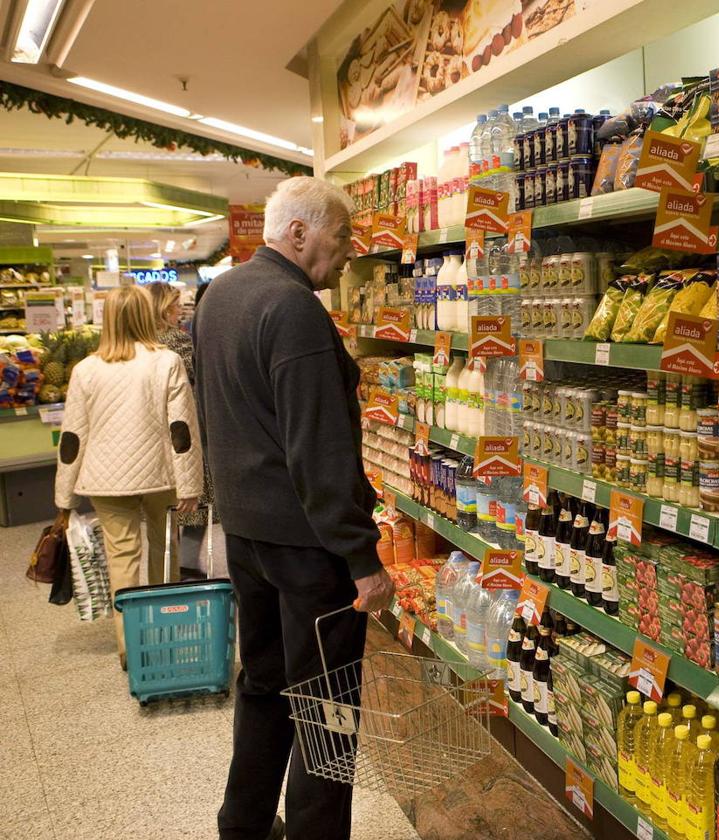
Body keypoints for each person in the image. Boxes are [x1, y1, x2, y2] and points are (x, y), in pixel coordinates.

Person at [193, 176, 394, 840]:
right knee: (326, 708)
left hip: (247, 536)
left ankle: (242, 823)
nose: (347, 252)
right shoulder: (294, 308)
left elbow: (220, 414)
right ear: (300, 232)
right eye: (342, 237)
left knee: (263, 684)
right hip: (309, 550)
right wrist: (361, 558)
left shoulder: (219, 295)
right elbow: (321, 449)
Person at [53, 284, 203, 669]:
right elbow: (182, 431)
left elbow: (72, 438)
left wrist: (64, 499)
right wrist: (190, 485)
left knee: (122, 557)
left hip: (105, 480)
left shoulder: (84, 370)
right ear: (144, 315)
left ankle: (129, 646)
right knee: (164, 551)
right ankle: (163, 633)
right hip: (160, 475)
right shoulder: (166, 361)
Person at [147, 281, 216, 577]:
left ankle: (165, 575)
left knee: (161, 518)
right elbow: (195, 384)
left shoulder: (137, 344)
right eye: (175, 305)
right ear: (164, 308)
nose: (179, 310)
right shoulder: (178, 341)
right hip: (185, 432)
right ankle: (188, 571)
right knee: (193, 509)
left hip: (151, 437)